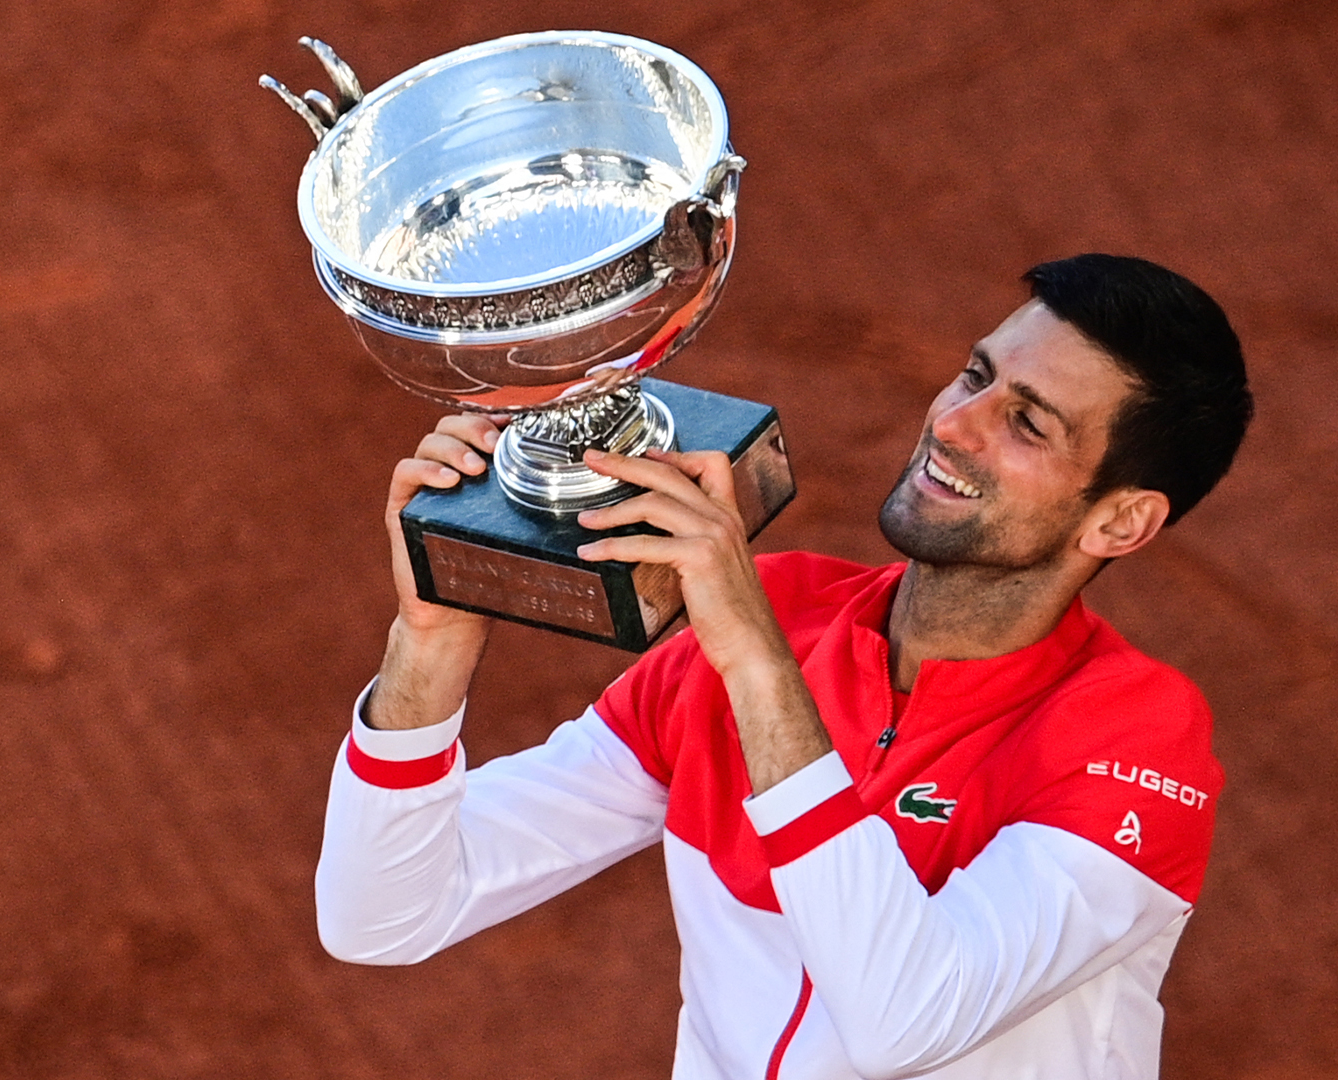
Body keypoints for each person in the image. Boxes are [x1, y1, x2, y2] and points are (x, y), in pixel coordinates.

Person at [315, 253, 1254, 1079]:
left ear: (1119, 520)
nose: (957, 425)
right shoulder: (778, 616)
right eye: (975, 375)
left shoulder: (1134, 740)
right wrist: (433, 638)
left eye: (1027, 424)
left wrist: (758, 664)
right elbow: (386, 915)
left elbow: (905, 1020)